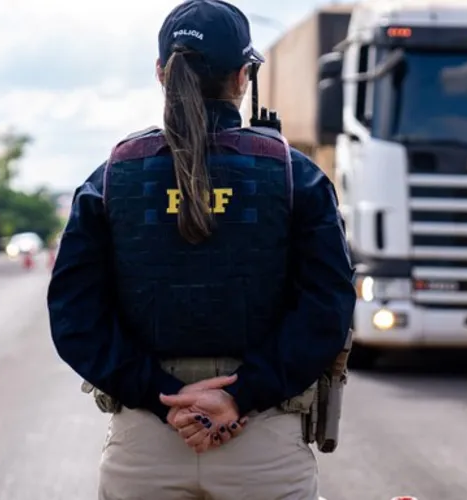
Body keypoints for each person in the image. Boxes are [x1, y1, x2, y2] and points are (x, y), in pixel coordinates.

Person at [47, 1, 355, 498]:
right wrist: (240, 396)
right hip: (264, 442)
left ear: (160, 74)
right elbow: (328, 307)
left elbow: (74, 315)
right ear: (243, 76)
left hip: (146, 443)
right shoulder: (298, 176)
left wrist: (159, 394)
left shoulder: (109, 179)